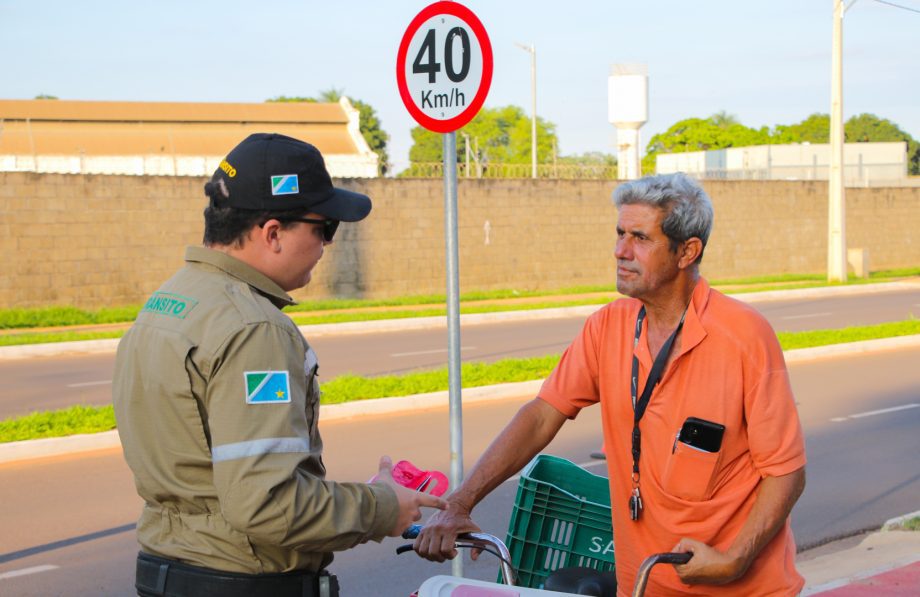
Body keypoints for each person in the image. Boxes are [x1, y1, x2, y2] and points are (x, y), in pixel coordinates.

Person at [414, 173, 807, 595]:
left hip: (743, 588)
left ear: (687, 252)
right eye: (620, 233)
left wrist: (735, 559)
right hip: (640, 585)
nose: (620, 251)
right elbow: (542, 414)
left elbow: (786, 474)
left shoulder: (743, 336)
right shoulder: (608, 327)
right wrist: (460, 502)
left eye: (640, 238)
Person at [113, 133, 445, 597]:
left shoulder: (169, 302)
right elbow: (267, 505)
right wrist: (384, 507)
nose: (327, 245)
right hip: (241, 580)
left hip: (169, 571)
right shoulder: (254, 327)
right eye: (324, 228)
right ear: (272, 233)